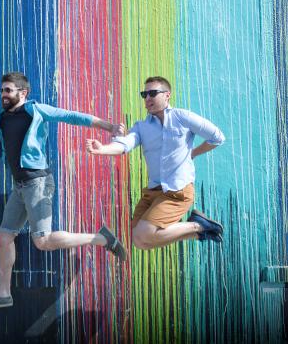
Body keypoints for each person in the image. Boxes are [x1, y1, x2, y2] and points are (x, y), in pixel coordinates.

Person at [0, 72, 126, 310]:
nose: (3, 94)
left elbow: (72, 116)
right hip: (19, 186)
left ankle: (101, 238)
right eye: (2, 90)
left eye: (8, 90)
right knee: (4, 238)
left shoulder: (37, 111)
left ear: (22, 93)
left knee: (42, 241)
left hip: (38, 183)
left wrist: (110, 128)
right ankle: (3, 294)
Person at [86, 76, 225, 250]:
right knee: (140, 241)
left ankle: (199, 226)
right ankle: (198, 232)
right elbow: (125, 144)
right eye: (145, 94)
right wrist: (102, 149)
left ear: (167, 95)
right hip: (153, 193)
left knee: (145, 233)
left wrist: (193, 153)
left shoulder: (181, 117)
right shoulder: (141, 127)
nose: (148, 98)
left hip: (177, 191)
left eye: (153, 93)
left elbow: (217, 137)